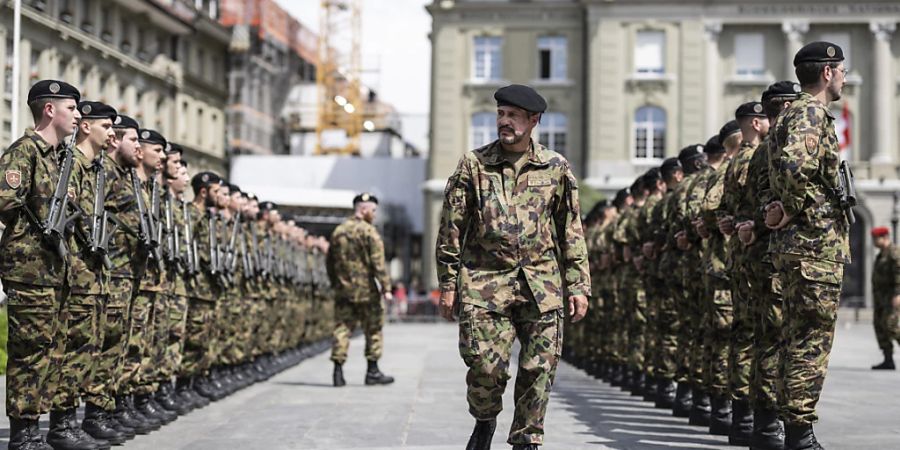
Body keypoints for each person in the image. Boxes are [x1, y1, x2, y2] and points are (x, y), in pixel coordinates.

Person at [435, 84, 590, 450]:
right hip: (484, 283)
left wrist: (579, 284)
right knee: (486, 369)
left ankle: (526, 439)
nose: (504, 122)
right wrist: (447, 284)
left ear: (533, 121)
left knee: (539, 369)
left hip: (542, 284)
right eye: (501, 115)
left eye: (513, 116)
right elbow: (451, 228)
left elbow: (571, 230)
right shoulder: (473, 164)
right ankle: (485, 419)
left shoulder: (555, 167)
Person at [765, 41, 850, 450]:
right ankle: (799, 435)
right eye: (842, 70)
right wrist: (794, 207)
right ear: (828, 72)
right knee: (809, 341)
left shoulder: (790, 115)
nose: (845, 78)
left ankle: (791, 430)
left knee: (794, 337)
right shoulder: (811, 112)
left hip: (799, 245)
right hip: (813, 245)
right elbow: (796, 167)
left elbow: (772, 174)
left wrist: (779, 206)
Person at [0, 79, 81, 450]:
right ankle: (24, 433)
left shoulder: (58, 159)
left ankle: (48, 427)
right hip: (29, 269)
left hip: (53, 269)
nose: (77, 115)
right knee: (30, 351)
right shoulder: (25, 152)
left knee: (53, 348)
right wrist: (40, 225)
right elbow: (4, 200)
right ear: (50, 110)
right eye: (71, 108)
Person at [326, 192, 395, 387]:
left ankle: (338, 371)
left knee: (342, 329)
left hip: (344, 291)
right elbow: (378, 264)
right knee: (373, 328)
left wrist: (336, 283)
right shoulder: (369, 232)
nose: (374, 214)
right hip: (366, 292)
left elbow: (330, 262)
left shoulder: (338, 231)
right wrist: (386, 288)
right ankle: (372, 371)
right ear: (364, 210)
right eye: (373, 211)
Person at [870, 226, 900, 370]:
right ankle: (888, 359)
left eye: (876, 238)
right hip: (880, 298)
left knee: (891, 325)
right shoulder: (882, 254)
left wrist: (898, 293)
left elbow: (899, 274)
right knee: (879, 326)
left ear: (885, 237)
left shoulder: (894, 253)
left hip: (891, 297)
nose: (874, 241)